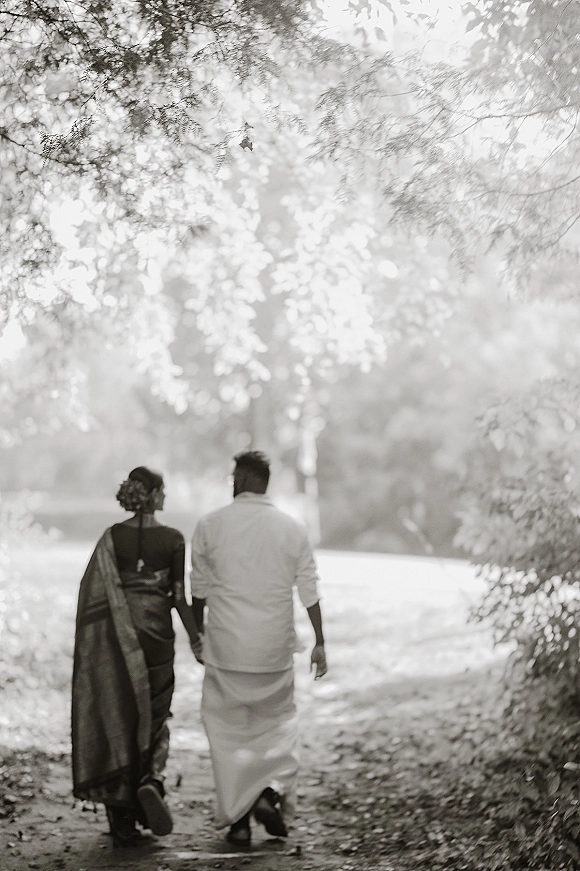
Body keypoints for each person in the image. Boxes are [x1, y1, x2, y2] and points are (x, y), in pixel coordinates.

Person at [190, 450, 327, 847]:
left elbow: (198, 589)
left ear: (245, 480)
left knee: (228, 733)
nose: (231, 483)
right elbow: (309, 589)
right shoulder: (292, 528)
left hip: (227, 648)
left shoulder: (210, 526)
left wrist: (197, 634)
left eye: (235, 477)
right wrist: (320, 642)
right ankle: (268, 793)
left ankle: (239, 819)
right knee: (274, 727)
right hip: (273, 651)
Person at [72, 466, 203, 846]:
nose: (166, 496)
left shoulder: (111, 537)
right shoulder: (174, 539)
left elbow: (91, 593)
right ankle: (152, 780)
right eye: (163, 490)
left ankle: (121, 815)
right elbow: (178, 597)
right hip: (158, 640)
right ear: (155, 494)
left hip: (116, 640)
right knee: (156, 715)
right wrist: (197, 640)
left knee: (118, 710)